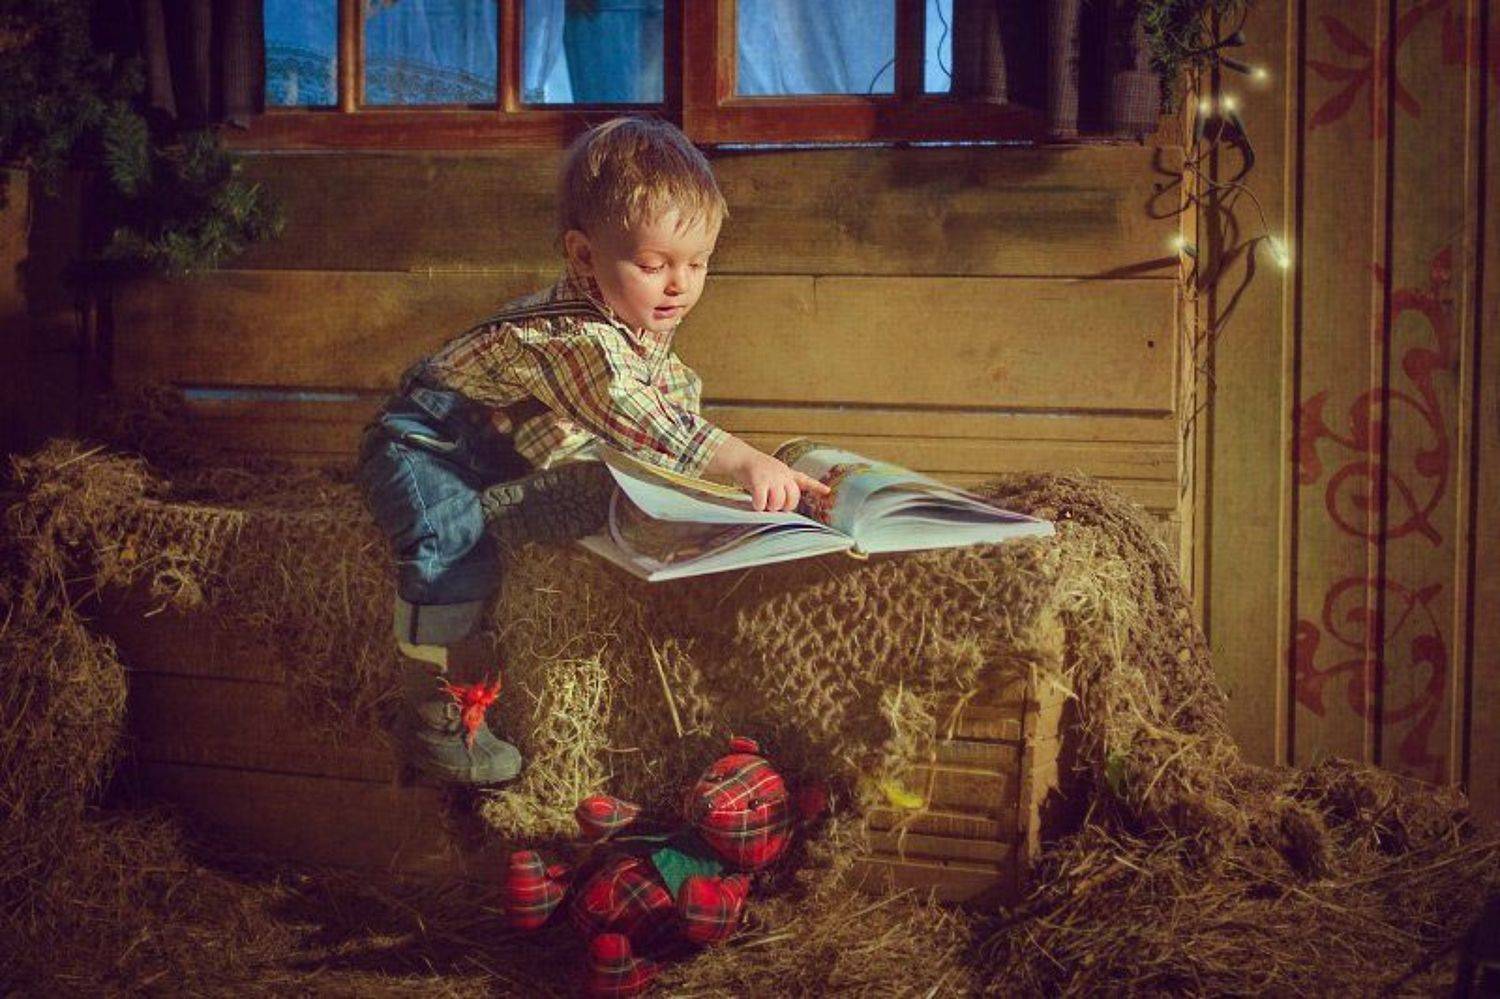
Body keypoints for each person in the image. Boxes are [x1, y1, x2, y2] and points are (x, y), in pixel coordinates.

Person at [356, 116, 829, 786]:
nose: (679, 286)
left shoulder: (636, 326)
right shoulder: (576, 336)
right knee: (449, 539)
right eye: (654, 264)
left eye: (697, 264)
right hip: (423, 443)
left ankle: (514, 509)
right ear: (584, 256)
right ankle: (436, 712)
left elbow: (673, 405)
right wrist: (744, 460)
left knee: (596, 481)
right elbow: (644, 418)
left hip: (501, 453)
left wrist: (716, 487)